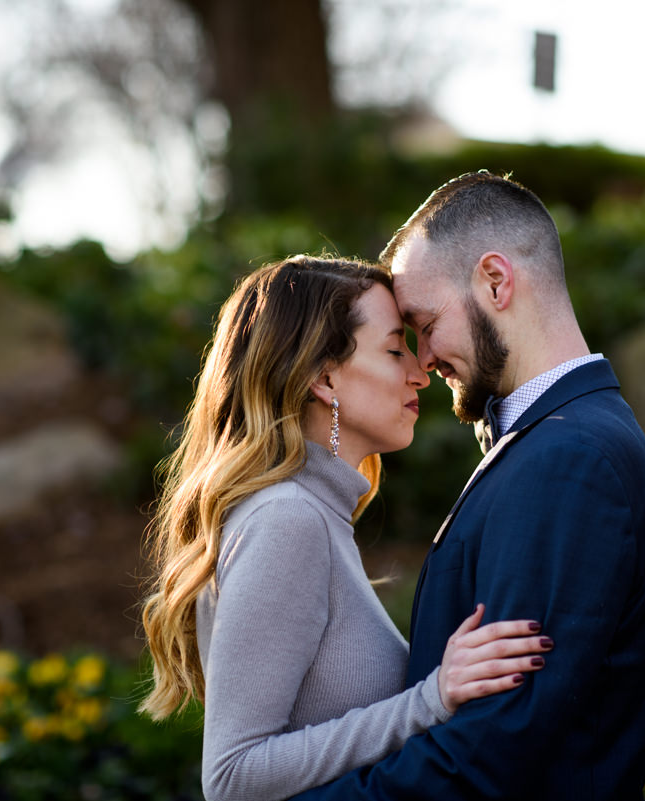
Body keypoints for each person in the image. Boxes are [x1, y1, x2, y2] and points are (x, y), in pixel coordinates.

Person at [291, 172, 645, 800]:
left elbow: (490, 757)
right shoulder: (559, 438)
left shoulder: (568, 459)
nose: (422, 362)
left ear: (496, 281)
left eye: (424, 323)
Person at [139, 256, 554, 801]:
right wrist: (429, 700)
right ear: (323, 378)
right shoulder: (288, 518)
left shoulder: (315, 514)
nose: (419, 371)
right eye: (393, 349)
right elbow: (233, 776)